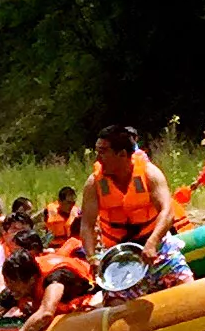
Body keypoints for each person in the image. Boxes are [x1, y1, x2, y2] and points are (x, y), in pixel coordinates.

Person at [77, 125, 193, 297]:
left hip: (157, 245)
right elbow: (87, 225)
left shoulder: (150, 173)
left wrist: (152, 242)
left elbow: (167, 212)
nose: (98, 158)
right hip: (119, 255)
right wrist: (92, 258)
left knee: (187, 287)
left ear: (122, 154)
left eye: (103, 152)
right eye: (97, 152)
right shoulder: (94, 183)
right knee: (116, 303)